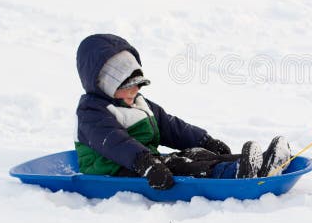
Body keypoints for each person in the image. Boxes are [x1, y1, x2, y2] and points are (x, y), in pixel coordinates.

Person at [74, 33, 291, 190]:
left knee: (197, 155)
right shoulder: (91, 113)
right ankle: (236, 173)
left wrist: (205, 140)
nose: (135, 90)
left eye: (138, 84)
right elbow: (115, 142)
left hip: (146, 162)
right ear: (102, 84)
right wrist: (146, 164)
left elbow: (171, 126)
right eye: (125, 86)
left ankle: (260, 163)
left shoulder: (139, 103)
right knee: (181, 166)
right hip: (114, 170)